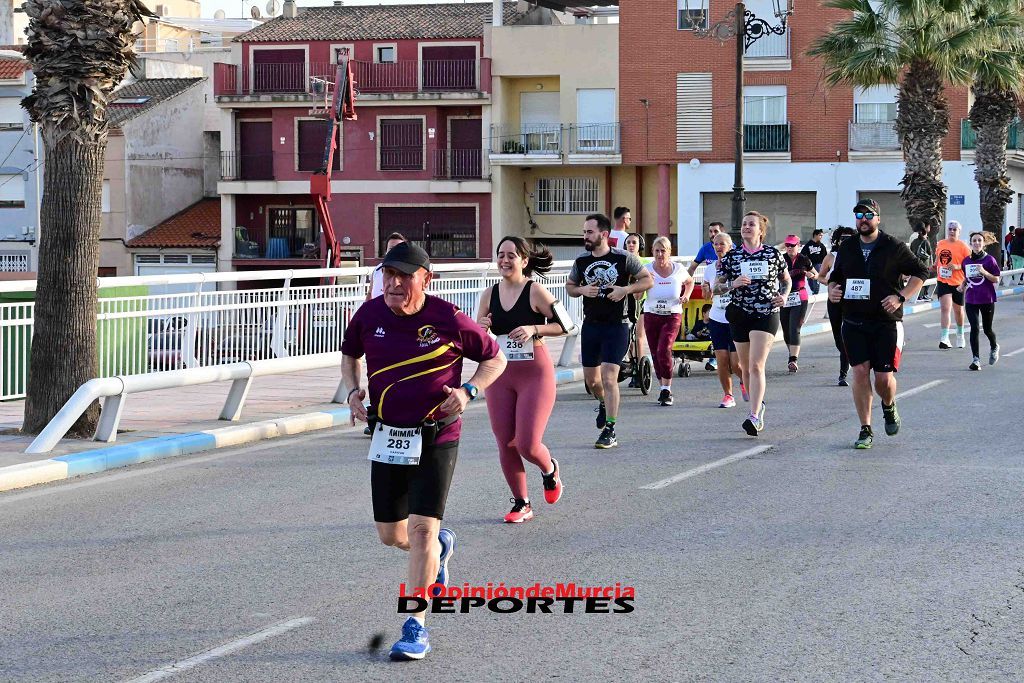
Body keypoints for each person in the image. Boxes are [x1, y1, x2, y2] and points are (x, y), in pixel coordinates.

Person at [341, 241, 507, 660]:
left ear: (425, 279)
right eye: (388, 275)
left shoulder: (447, 317)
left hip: (437, 434)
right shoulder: (370, 313)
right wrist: (352, 391)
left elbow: (495, 358)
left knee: (420, 531)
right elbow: (350, 354)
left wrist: (469, 391)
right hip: (387, 435)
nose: (394, 284)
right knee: (391, 535)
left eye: (404, 276)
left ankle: (415, 626)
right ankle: (441, 546)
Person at [476, 237, 565, 524]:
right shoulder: (489, 294)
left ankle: (549, 469)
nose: (504, 260)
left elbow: (566, 325)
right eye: (500, 254)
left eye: (511, 255)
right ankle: (521, 502)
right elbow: (478, 335)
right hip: (500, 374)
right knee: (506, 441)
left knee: (527, 443)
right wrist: (482, 328)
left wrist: (534, 327)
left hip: (534, 374)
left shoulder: (535, 291)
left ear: (524, 261)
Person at [827, 198, 928, 449]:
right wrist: (831, 291)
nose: (863, 219)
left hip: (886, 323)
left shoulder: (892, 246)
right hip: (853, 320)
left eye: (868, 214)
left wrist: (901, 296)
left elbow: (921, 272)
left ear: (878, 218)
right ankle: (865, 429)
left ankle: (888, 405)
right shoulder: (848, 247)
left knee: (883, 379)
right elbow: (835, 277)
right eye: (859, 214)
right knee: (860, 373)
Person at [567, 213, 653, 449]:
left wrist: (625, 290)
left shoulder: (623, 258)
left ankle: (610, 430)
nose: (585, 236)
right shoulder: (582, 261)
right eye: (584, 232)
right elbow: (570, 287)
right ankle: (604, 403)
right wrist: (583, 290)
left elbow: (647, 280)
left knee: (608, 377)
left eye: (589, 232)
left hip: (618, 324)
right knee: (593, 382)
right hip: (591, 325)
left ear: (604, 235)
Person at [713, 210, 790, 436]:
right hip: (739, 313)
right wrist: (732, 284)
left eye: (751, 224)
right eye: (744, 223)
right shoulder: (731, 257)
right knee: (745, 368)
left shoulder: (773, 254)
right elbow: (716, 288)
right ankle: (758, 406)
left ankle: (754, 415)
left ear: (760, 230)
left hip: (766, 312)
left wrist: (784, 296)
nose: (746, 227)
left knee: (756, 365)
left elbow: (787, 280)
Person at [642, 236, 694, 406]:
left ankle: (667, 389)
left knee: (664, 348)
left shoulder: (678, 269)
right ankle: (662, 386)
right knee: (656, 353)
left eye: (663, 251)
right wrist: (644, 282)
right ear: (652, 252)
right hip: (651, 314)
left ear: (669, 252)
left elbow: (690, 282)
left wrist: (685, 295)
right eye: (656, 251)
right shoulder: (646, 269)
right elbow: (636, 295)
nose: (660, 254)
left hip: (672, 314)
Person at [702, 232, 746, 408]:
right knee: (721, 358)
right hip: (717, 317)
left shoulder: (738, 266)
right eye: (715, 245)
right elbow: (707, 297)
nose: (718, 248)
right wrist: (706, 289)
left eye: (722, 244)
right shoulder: (710, 268)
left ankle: (745, 381)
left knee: (736, 363)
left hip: (735, 318)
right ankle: (728, 395)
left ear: (730, 247)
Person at [817, 226, 856, 386]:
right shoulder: (831, 257)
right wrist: (831, 284)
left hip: (852, 301)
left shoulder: (858, 256)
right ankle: (848, 359)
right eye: (842, 238)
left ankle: (843, 375)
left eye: (849, 238)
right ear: (837, 240)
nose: (845, 241)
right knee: (838, 337)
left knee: (848, 335)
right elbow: (820, 277)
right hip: (834, 300)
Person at [959, 231, 1001, 371]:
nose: (977, 243)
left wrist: (984, 272)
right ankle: (975, 359)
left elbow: (996, 279)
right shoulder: (966, 261)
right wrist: (962, 284)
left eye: (979, 241)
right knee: (974, 328)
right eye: (974, 240)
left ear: (983, 243)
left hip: (987, 298)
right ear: (970, 243)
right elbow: (968, 277)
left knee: (987, 329)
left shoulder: (989, 260)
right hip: (971, 298)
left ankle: (994, 346)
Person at [781, 234, 817, 373]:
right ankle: (792, 353)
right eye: (787, 245)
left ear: (798, 245)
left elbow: (816, 274)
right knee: (785, 330)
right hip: (784, 297)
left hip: (800, 296)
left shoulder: (804, 259)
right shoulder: (781, 259)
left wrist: (811, 275)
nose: (790, 248)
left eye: (792, 245)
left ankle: (793, 359)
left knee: (794, 328)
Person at [935, 221, 970, 349]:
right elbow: (938, 258)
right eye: (950, 229)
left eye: (955, 229)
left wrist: (957, 266)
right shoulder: (941, 243)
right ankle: (944, 338)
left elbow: (968, 264)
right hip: (943, 280)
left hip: (958, 282)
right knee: (945, 308)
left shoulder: (964, 247)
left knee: (958, 310)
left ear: (959, 232)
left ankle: (960, 334)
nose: (952, 231)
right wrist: (934, 266)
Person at [624, 232, 652, 379]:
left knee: (638, 337)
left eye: (634, 242)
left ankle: (640, 371)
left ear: (640, 246)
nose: (631, 245)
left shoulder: (646, 263)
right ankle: (630, 362)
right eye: (628, 242)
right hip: (625, 302)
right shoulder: (622, 262)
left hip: (642, 303)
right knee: (627, 337)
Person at [366, 232, 408, 301]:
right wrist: (364, 310)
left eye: (398, 248)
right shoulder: (377, 269)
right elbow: (370, 293)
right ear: (386, 251)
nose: (394, 251)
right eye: (391, 248)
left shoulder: (409, 272)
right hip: (376, 310)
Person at [908, 222, 934, 302]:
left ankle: (918, 295)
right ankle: (922, 295)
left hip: (915, 262)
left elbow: (911, 250)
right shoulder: (925, 240)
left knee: (917, 278)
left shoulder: (914, 240)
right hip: (924, 263)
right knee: (925, 278)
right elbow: (930, 252)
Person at [800, 229, 828, 295]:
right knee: (810, 279)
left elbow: (825, 256)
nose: (821, 237)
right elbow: (802, 255)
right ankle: (813, 290)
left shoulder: (821, 246)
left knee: (816, 277)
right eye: (820, 235)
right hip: (809, 265)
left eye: (822, 236)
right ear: (815, 235)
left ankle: (816, 292)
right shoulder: (808, 245)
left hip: (818, 264)